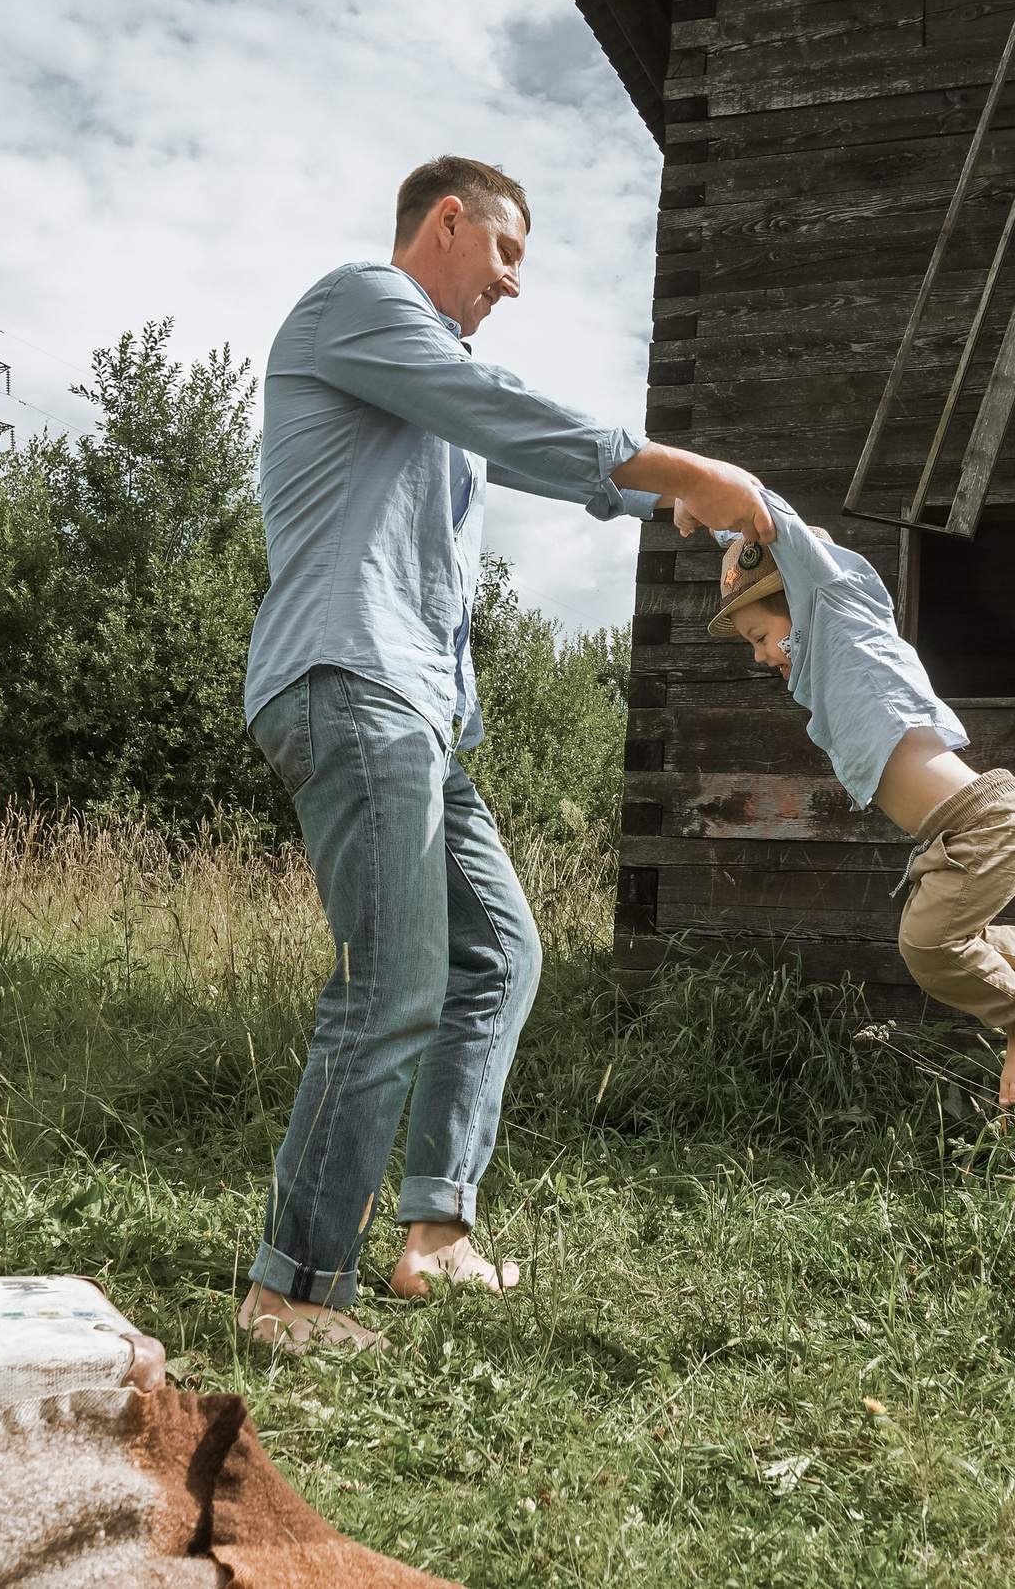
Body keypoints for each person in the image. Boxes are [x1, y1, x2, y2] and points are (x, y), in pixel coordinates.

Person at [238, 156, 778, 1351]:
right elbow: (511, 416)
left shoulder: (434, 381)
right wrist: (682, 468)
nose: (513, 283)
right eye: (507, 254)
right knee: (388, 991)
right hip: (354, 680)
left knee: (499, 957)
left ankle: (436, 1233)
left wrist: (671, 507)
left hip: (417, 710)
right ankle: (290, 1291)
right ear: (447, 222)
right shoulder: (363, 304)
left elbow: (520, 444)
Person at [707, 490, 1015, 1108]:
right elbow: (749, 550)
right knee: (938, 940)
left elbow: (773, 526)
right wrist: (711, 526)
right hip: (959, 830)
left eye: (760, 635)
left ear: (801, 604)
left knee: (926, 945)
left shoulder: (840, 614)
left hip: (985, 821)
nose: (759, 655)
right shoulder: (821, 669)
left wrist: (710, 493)